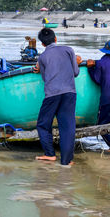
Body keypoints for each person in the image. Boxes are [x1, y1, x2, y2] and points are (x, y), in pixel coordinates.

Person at [34, 28, 82, 165]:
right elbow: (76, 72)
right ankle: (66, 160)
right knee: (67, 126)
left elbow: (45, 77)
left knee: (43, 124)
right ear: (56, 39)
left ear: (42, 44)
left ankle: (50, 154)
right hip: (70, 93)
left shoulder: (42, 57)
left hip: (52, 94)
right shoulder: (69, 50)